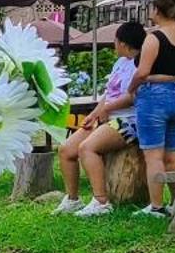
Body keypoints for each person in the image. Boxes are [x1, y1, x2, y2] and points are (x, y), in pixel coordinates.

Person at [91, 0, 175, 217]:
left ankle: (156, 206)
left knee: (153, 155)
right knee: (172, 154)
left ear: (157, 9)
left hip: (154, 96)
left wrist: (133, 88)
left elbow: (142, 72)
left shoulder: (155, 37)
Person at [60, 20, 146, 216]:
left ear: (123, 43)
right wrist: (94, 114)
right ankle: (72, 199)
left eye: (115, 41)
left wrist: (107, 109)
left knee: (87, 148)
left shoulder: (140, 65)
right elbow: (110, 94)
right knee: (67, 149)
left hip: (128, 121)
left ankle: (101, 202)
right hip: (107, 117)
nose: (113, 45)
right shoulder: (120, 63)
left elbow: (133, 97)